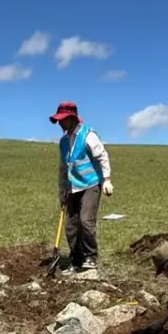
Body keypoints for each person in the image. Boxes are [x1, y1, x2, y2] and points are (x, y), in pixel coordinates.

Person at [50, 101, 113, 274]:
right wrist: (62, 191)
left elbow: (102, 156)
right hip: (72, 186)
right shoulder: (63, 142)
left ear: (72, 118)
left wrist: (107, 179)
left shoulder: (88, 135)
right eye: (59, 120)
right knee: (71, 226)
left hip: (91, 184)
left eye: (63, 119)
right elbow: (63, 168)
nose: (60, 123)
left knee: (86, 221)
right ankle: (76, 260)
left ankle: (90, 257)